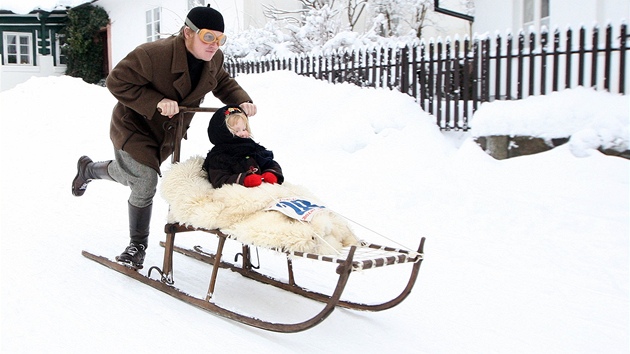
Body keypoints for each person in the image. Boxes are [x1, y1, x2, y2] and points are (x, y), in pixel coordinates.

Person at [71, 6, 257, 270]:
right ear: (187, 33)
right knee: (144, 180)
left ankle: (89, 169)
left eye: (219, 39)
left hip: (167, 133)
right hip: (134, 125)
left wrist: (242, 101)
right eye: (208, 37)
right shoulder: (153, 55)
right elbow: (117, 81)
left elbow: (222, 82)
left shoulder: (214, 59)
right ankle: (137, 246)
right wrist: (156, 100)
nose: (214, 44)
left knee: (133, 175)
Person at [203, 105, 283, 189]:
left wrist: (272, 173)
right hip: (237, 197)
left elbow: (270, 163)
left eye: (244, 129)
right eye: (236, 131)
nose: (243, 133)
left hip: (263, 191)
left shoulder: (253, 148)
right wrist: (244, 180)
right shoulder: (219, 157)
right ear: (224, 134)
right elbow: (219, 179)